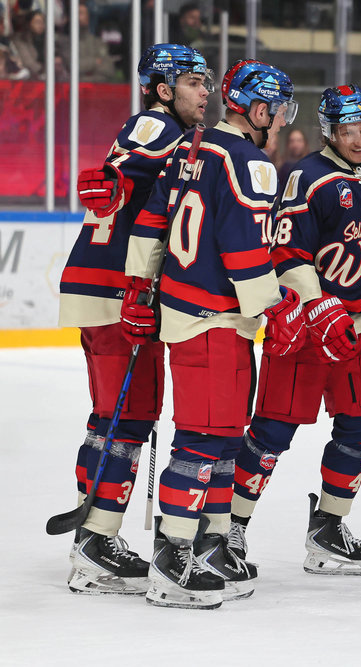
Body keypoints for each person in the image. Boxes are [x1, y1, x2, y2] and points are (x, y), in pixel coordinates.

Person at [124, 58, 302, 609]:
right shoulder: (250, 161)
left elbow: (153, 218)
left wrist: (139, 284)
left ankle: (214, 543)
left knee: (224, 435)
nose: (281, 121)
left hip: (190, 310)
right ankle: (173, 556)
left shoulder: (188, 148)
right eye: (278, 110)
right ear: (259, 109)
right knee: (204, 437)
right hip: (214, 317)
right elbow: (243, 245)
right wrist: (275, 308)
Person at [229, 85, 361, 575]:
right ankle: (229, 528)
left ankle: (329, 527)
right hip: (307, 328)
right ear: (330, 132)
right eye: (347, 131)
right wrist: (319, 305)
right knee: (272, 431)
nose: (358, 140)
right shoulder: (307, 178)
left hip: (358, 332)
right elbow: (287, 255)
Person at [58, 43, 212, 597]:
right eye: (193, 83)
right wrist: (116, 183)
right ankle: (96, 540)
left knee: (116, 416)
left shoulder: (168, 130)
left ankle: (90, 529)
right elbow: (122, 170)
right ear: (163, 88)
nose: (205, 93)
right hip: (115, 289)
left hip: (108, 286)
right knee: (128, 414)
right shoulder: (154, 124)